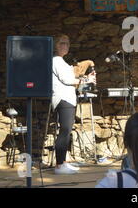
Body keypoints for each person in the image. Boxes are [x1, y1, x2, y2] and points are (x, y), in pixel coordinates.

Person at [52, 34, 96, 175]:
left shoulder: (62, 61)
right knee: (64, 131)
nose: (65, 46)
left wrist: (82, 78)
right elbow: (67, 79)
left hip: (68, 98)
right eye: (62, 43)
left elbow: (71, 78)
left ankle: (63, 162)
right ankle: (59, 165)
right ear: (55, 45)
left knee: (66, 131)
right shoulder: (56, 60)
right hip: (63, 99)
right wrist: (86, 81)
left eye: (67, 43)